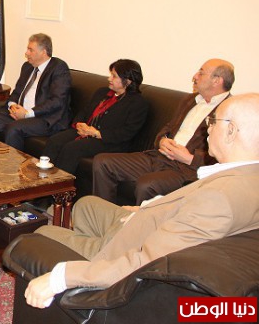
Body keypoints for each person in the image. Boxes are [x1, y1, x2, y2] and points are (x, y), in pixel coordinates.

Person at [25, 93, 259, 309]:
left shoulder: (218, 199)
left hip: (126, 250)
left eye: (213, 121)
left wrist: (61, 278)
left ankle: (90, 255)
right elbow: (189, 212)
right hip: (146, 222)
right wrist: (145, 208)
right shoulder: (245, 178)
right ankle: (87, 243)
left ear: (231, 131)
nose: (208, 128)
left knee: (42, 233)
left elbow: (146, 261)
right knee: (86, 205)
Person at [92, 59, 235, 204]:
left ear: (217, 80)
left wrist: (190, 158)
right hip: (160, 156)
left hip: (186, 168)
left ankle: (138, 219)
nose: (195, 76)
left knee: (147, 185)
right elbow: (168, 127)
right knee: (102, 162)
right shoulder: (190, 100)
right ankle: (103, 214)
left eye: (201, 73)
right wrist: (162, 140)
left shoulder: (231, 110)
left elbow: (228, 153)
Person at [42, 59, 149, 174]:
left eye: (114, 76)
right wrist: (79, 124)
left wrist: (97, 133)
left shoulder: (138, 103)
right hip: (86, 131)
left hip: (109, 141)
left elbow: (127, 132)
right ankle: (42, 178)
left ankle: (61, 183)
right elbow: (84, 111)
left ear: (127, 81)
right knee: (54, 141)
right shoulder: (102, 92)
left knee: (72, 148)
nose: (109, 79)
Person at [0, 33, 71, 151]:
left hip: (44, 118)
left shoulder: (59, 68)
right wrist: (13, 106)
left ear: (43, 52)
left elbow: (57, 101)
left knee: (13, 129)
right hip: (19, 113)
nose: (26, 53)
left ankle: (11, 163)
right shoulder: (27, 67)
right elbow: (16, 92)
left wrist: (27, 113)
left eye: (31, 50)